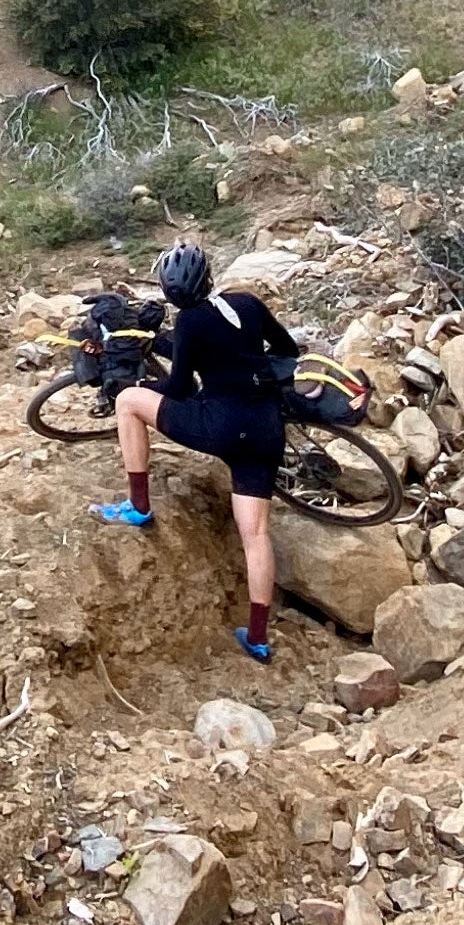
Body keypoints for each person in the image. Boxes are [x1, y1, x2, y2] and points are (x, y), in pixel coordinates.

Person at [88, 240, 298, 665]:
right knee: (255, 535)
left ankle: (138, 505)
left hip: (219, 427)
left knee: (128, 402)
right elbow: (286, 349)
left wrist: (145, 387)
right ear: (208, 276)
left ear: (169, 293)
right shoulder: (247, 304)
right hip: (265, 429)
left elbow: (181, 388)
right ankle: (257, 638)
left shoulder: (189, 324)